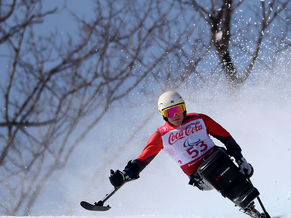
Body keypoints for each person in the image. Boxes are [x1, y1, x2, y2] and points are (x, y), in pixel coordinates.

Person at [109, 90, 259, 211]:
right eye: (170, 112)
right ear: (163, 114)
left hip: (219, 160)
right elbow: (143, 159)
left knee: (222, 162)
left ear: (184, 108)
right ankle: (243, 201)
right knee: (213, 171)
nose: (175, 115)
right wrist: (125, 174)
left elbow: (226, 138)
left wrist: (240, 159)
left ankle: (248, 199)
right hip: (200, 176)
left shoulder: (200, 119)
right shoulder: (161, 135)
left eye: (178, 109)